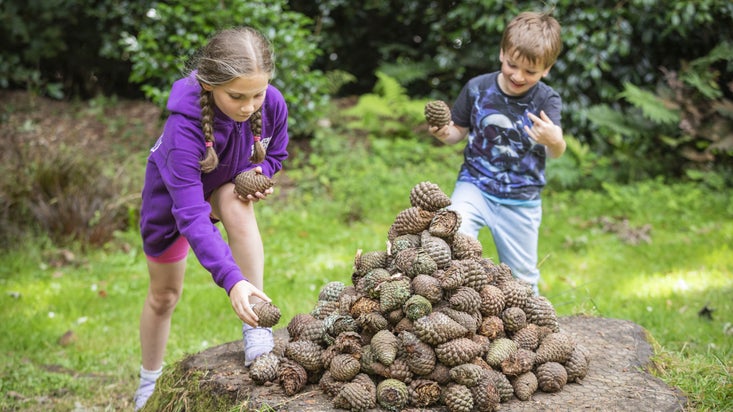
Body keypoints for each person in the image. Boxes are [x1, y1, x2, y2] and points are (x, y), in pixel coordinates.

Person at [133, 27, 289, 411]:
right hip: (171, 209)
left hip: (222, 189)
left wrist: (259, 178)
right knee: (164, 296)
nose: (250, 106)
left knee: (237, 204)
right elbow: (191, 217)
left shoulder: (271, 103)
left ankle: (257, 326)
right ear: (208, 84)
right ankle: (148, 384)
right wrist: (230, 279)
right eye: (237, 96)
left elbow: (276, 155)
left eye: (257, 94)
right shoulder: (182, 132)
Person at [429, 10, 565, 295]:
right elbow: (457, 132)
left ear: (547, 69)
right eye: (512, 65)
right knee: (451, 234)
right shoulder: (477, 88)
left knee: (523, 281)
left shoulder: (546, 99)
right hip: (474, 186)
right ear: (502, 53)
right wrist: (444, 133)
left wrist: (554, 140)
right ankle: (457, 306)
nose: (518, 76)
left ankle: (531, 331)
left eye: (530, 72)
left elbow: (556, 152)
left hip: (521, 198)